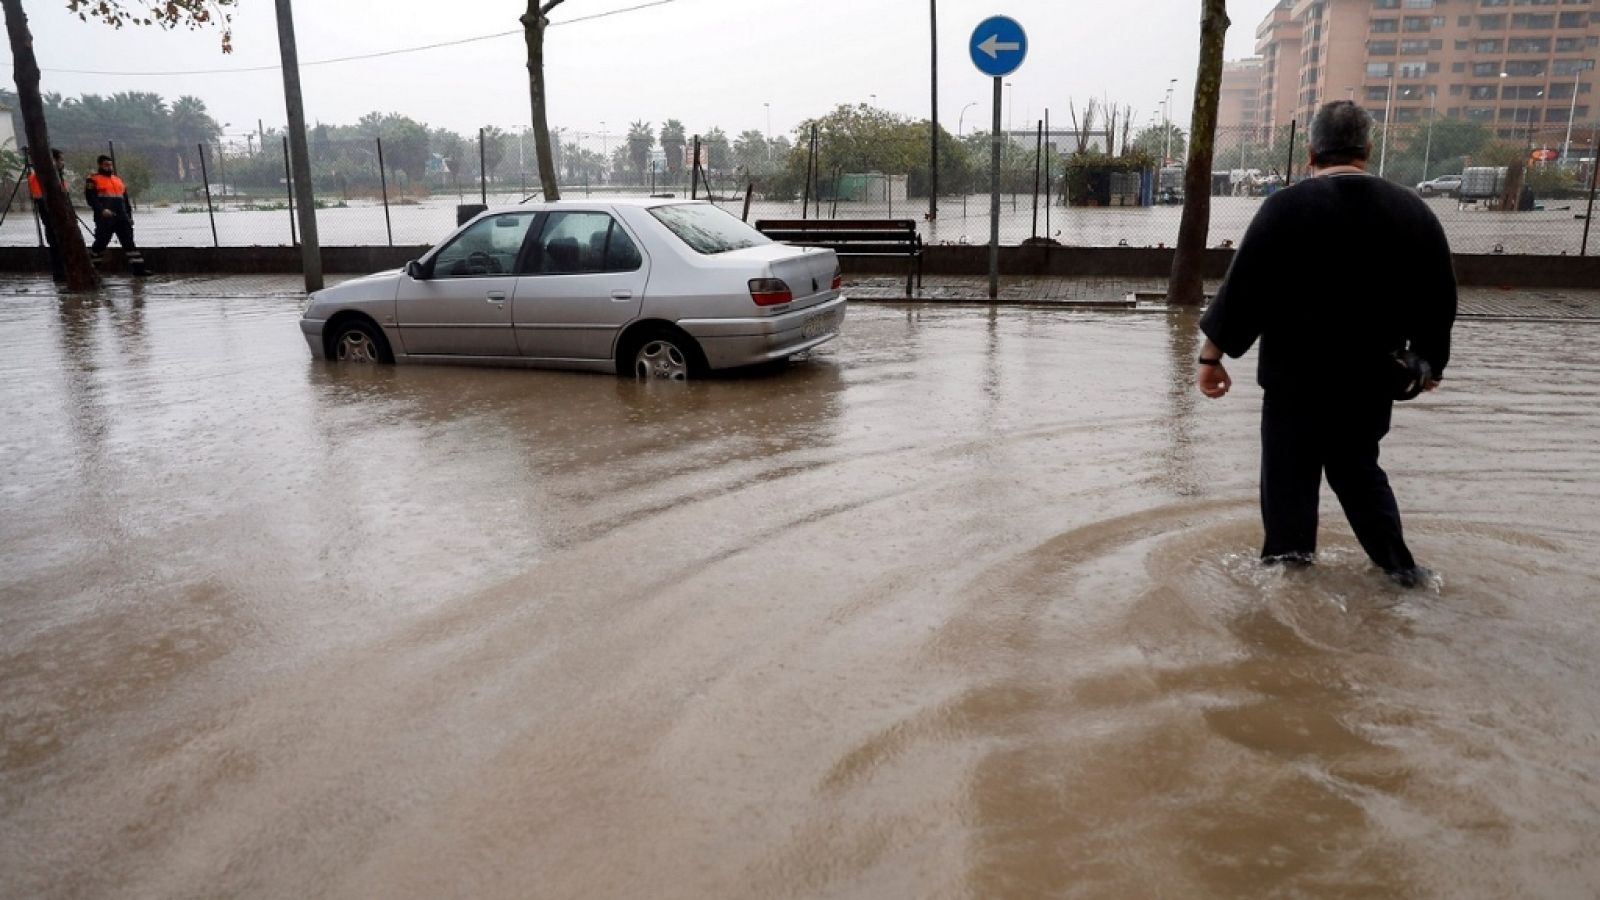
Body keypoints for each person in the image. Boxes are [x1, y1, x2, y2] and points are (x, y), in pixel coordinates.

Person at [1194, 100, 1457, 588]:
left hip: (1294, 383)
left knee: (1287, 488)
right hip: (1370, 381)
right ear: (1367, 150)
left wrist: (1213, 357)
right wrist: (1429, 362)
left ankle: (1286, 587)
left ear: (1311, 150)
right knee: (1360, 476)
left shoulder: (1284, 208)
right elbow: (1439, 297)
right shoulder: (1412, 211)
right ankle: (1403, 574)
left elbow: (1244, 289)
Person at [84, 155, 148, 276]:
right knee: (101, 243)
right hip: (105, 218)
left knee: (129, 243)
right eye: (106, 165)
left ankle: (139, 270)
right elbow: (91, 199)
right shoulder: (93, 180)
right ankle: (91, 270)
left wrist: (129, 217)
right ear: (100, 165)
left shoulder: (117, 180)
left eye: (110, 165)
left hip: (122, 217)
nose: (109, 167)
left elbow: (125, 200)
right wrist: (101, 210)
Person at [27, 148, 69, 282]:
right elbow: (45, 201)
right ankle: (60, 276)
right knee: (56, 248)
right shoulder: (40, 177)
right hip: (52, 220)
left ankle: (63, 274)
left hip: (59, 218)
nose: (63, 163)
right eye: (61, 160)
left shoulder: (57, 176)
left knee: (60, 247)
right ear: (53, 161)